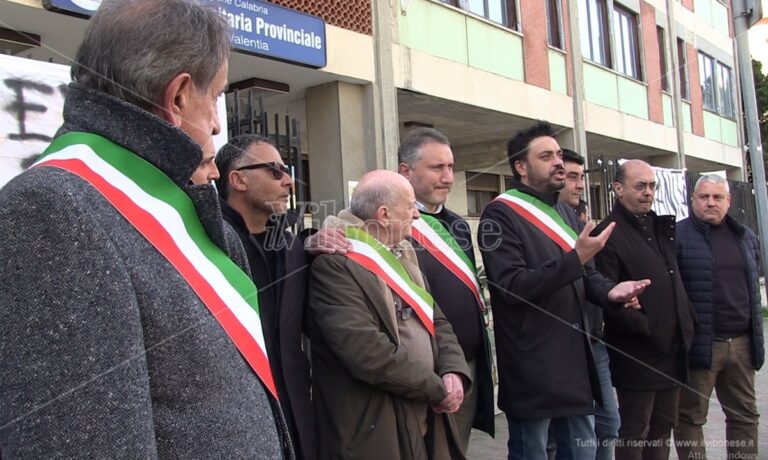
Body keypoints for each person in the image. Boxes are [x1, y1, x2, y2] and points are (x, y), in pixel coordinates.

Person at [0, 1, 290, 457]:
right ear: (177, 97)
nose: (217, 122)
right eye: (214, 97)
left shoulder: (169, 203)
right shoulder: (51, 213)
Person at [478, 121, 649, 460]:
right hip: (532, 361)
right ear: (521, 167)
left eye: (558, 154)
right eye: (546, 156)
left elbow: (586, 276)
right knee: (534, 453)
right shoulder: (499, 214)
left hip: (575, 358)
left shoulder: (565, 212)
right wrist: (576, 259)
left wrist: (612, 293)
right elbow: (511, 287)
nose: (558, 162)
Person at [309, 170, 471, 459]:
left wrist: (453, 372)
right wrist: (437, 389)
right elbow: (366, 352)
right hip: (376, 425)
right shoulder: (335, 263)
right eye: (410, 206)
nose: (417, 215)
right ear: (383, 215)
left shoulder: (403, 251)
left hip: (424, 414)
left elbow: (436, 319)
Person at [215, 134, 326, 459]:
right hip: (240, 420)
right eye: (275, 171)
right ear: (238, 179)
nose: (289, 181)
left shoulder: (293, 248)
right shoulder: (208, 245)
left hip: (296, 413)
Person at [397, 128, 495, 451]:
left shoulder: (458, 225)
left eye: (451, 167)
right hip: (423, 369)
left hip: (466, 366)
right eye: (437, 168)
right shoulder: (386, 225)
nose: (448, 177)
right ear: (405, 172)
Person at [593, 159, 695, 460]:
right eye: (640, 186)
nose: (648, 192)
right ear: (618, 188)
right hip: (637, 355)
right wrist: (646, 326)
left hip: (672, 350)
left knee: (663, 428)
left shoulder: (659, 226)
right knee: (635, 432)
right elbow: (606, 294)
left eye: (652, 186)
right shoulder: (607, 233)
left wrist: (687, 320)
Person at [674, 174, 763, 460]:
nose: (711, 202)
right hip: (700, 346)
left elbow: (752, 291)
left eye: (717, 197)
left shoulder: (745, 237)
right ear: (693, 200)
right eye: (704, 197)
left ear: (729, 201)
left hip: (741, 344)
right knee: (689, 418)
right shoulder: (676, 237)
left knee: (744, 416)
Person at [554, 149, 620, 460]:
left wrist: (612, 293)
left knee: (608, 426)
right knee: (567, 437)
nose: (579, 185)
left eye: (581, 177)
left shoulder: (583, 219)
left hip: (595, 341)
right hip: (563, 345)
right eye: (571, 177)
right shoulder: (547, 222)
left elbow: (591, 277)